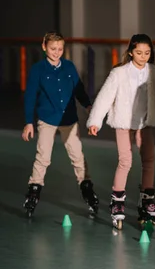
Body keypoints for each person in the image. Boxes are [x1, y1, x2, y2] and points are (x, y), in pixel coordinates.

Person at [87, 34, 155, 230]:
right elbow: (105, 96)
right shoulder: (119, 73)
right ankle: (117, 201)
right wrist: (95, 121)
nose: (143, 56)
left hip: (144, 123)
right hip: (123, 123)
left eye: (147, 53)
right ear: (131, 52)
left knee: (149, 159)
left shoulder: (154, 73)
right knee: (125, 161)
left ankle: (147, 201)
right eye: (139, 52)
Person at [22, 31, 99, 218]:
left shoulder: (69, 67)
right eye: (52, 48)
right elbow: (30, 96)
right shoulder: (38, 70)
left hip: (69, 120)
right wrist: (28, 122)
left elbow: (79, 89)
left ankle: (88, 191)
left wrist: (88, 105)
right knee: (43, 156)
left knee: (77, 156)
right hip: (47, 119)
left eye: (60, 49)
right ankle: (33, 192)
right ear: (44, 47)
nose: (56, 52)